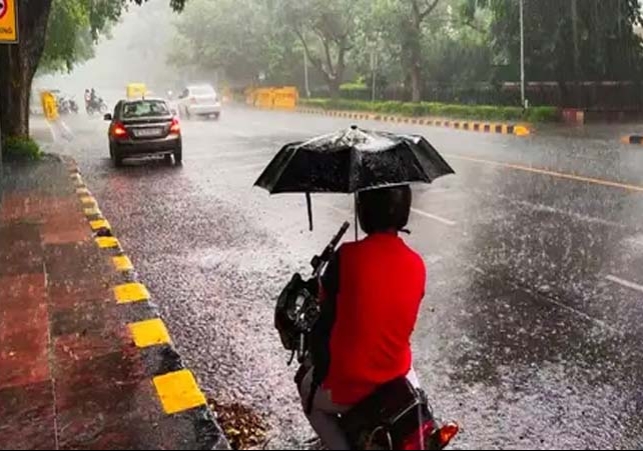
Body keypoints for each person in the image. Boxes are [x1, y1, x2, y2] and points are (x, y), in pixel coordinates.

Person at [298, 184, 426, 450]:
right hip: (398, 374)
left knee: (309, 398)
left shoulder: (346, 257)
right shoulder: (417, 263)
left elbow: (326, 315)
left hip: (350, 385)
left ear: (364, 210)